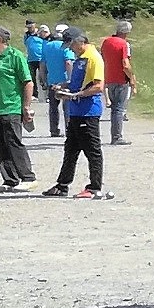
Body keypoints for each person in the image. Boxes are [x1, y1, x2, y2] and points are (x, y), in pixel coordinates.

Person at [44, 29, 106, 199]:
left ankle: (94, 187)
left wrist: (74, 95)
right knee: (70, 149)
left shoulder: (93, 58)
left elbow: (98, 86)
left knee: (92, 150)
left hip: (88, 111)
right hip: (76, 111)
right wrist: (63, 86)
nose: (70, 49)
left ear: (80, 41)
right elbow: (80, 82)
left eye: (71, 44)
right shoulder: (81, 58)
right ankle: (62, 185)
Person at [0, 25, 38, 193]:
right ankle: (10, 179)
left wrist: (26, 106)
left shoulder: (15, 56)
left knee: (14, 143)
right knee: (0, 146)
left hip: (12, 106)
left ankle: (28, 177)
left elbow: (28, 82)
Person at [101, 20, 135, 146]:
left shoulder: (106, 42)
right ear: (126, 32)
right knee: (119, 109)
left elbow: (103, 58)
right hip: (121, 79)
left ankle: (115, 135)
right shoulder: (124, 44)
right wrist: (131, 78)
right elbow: (125, 65)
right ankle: (117, 136)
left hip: (109, 78)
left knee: (114, 109)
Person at [42, 23, 75, 137]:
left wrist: (43, 79)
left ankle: (54, 130)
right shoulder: (65, 46)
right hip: (64, 81)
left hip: (52, 80)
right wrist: (71, 78)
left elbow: (43, 64)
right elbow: (68, 62)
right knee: (67, 107)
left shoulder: (47, 46)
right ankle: (69, 128)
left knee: (53, 107)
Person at [23, 21, 46, 91]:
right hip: (31, 59)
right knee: (31, 77)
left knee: (43, 75)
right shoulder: (26, 35)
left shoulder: (40, 33)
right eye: (28, 27)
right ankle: (34, 92)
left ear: (34, 25)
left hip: (41, 58)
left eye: (31, 27)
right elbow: (26, 44)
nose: (30, 28)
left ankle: (45, 90)